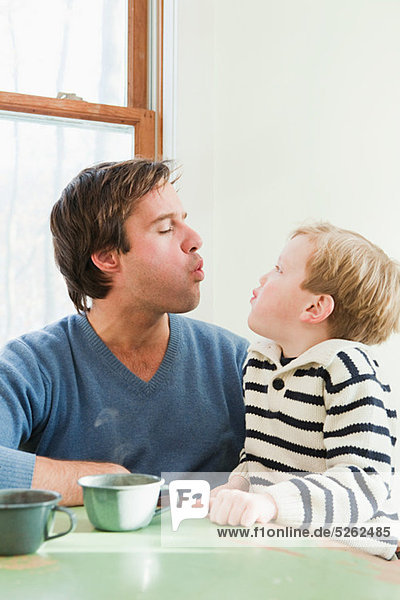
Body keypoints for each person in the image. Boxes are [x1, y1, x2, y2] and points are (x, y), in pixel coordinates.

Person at [0, 159, 248, 505]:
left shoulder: (237, 361)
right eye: (165, 229)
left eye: (184, 222)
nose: (194, 240)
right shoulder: (31, 367)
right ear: (107, 257)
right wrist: (106, 482)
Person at [209, 223, 400, 559]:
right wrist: (234, 489)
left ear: (314, 308)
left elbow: (362, 483)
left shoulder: (349, 369)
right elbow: (259, 458)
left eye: (280, 269)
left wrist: (270, 503)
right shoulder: (260, 362)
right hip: (285, 536)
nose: (264, 278)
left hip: (353, 545)